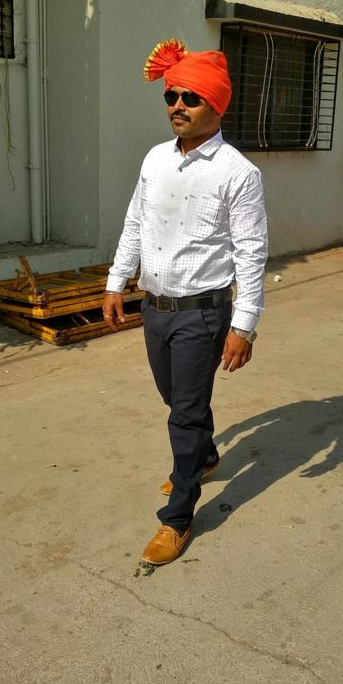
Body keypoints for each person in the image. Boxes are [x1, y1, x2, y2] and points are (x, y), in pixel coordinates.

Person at [102, 39, 268, 566]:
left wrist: (244, 324)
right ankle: (206, 454)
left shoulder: (238, 173)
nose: (178, 105)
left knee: (186, 414)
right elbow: (135, 222)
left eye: (190, 97)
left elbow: (251, 251)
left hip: (203, 312)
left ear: (216, 105)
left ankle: (178, 515)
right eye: (172, 96)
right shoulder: (155, 159)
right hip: (155, 308)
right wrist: (116, 281)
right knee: (175, 398)